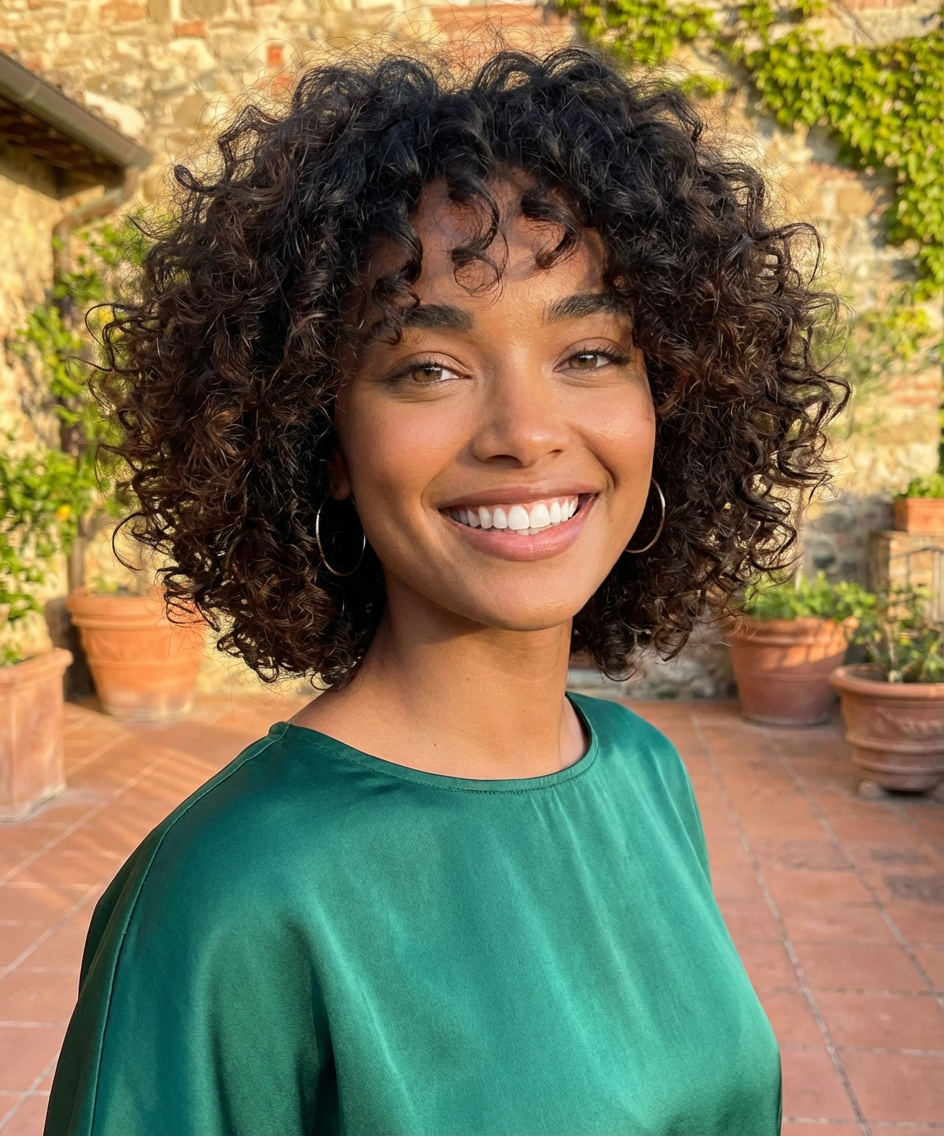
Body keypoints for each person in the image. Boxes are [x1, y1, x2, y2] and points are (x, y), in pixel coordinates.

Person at [45, 46, 845, 1136]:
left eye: (592, 352)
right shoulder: (229, 895)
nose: (524, 432)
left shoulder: (643, 775)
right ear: (320, 434)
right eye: (427, 367)